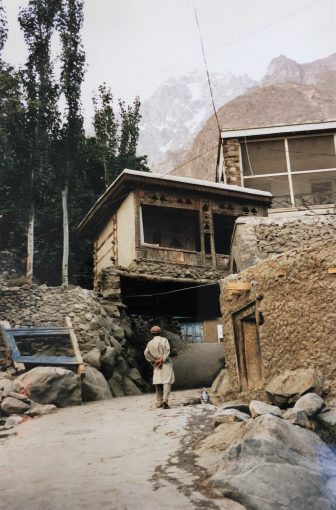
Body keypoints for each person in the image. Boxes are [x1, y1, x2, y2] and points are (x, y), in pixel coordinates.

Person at [144, 325, 175, 409]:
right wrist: (163, 359)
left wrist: (154, 360)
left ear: (151, 334)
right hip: (166, 363)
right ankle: (165, 400)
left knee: (158, 382)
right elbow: (167, 350)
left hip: (157, 364)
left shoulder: (150, 343)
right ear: (160, 332)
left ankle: (159, 401)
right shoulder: (164, 340)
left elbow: (146, 353)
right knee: (167, 381)